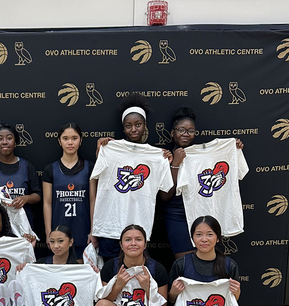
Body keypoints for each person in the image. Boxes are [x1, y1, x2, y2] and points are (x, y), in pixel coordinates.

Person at [158, 107, 244, 258]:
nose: (186, 134)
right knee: (185, 263)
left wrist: (233, 151)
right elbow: (165, 196)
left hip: (202, 210)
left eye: (190, 130)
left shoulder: (208, 156)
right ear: (172, 133)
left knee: (205, 260)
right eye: (181, 130)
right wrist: (176, 164)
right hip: (176, 214)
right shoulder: (164, 157)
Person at [91, 94, 156, 260]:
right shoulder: (109, 149)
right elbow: (95, 180)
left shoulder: (155, 156)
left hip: (138, 230)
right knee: (110, 276)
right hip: (110, 225)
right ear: (123, 127)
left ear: (145, 125)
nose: (133, 129)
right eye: (128, 126)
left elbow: (166, 191)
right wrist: (101, 154)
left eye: (138, 124)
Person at [93, 224, 173, 306]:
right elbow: (102, 303)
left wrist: (148, 289)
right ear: (121, 244)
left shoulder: (156, 269)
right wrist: (117, 286)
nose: (133, 243)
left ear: (145, 244)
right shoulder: (111, 267)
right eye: (128, 239)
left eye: (138, 239)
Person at [42, 122, 96, 257]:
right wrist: (48, 232)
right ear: (59, 141)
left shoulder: (90, 167)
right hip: (58, 234)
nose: (70, 142)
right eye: (65, 138)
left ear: (81, 141)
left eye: (74, 138)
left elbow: (92, 200)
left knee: (80, 273)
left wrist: (93, 231)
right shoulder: (50, 169)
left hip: (82, 231)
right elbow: (47, 203)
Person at [0, 124, 41, 224]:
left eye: (9, 138)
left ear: (15, 142)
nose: (5, 142)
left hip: (23, 225)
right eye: (0, 139)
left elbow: (38, 195)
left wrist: (26, 198)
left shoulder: (27, 166)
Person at [169, 216, 240, 302]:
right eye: (199, 234)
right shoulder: (181, 264)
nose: (204, 239)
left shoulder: (229, 265)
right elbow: (171, 301)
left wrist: (236, 292)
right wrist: (173, 292)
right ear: (192, 238)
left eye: (210, 234)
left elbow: (233, 302)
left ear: (217, 238)